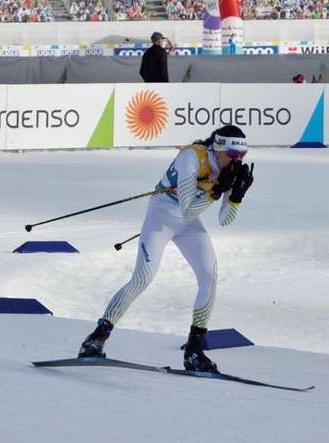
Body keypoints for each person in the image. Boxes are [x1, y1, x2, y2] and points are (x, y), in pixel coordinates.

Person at [78, 125, 255, 373]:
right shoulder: (191, 157)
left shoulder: (230, 169)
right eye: (234, 155)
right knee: (143, 278)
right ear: (218, 148)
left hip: (189, 224)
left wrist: (236, 195)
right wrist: (215, 191)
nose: (238, 161)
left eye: (243, 155)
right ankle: (96, 338)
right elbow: (186, 208)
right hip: (161, 216)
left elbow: (224, 220)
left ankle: (194, 351)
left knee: (209, 276)